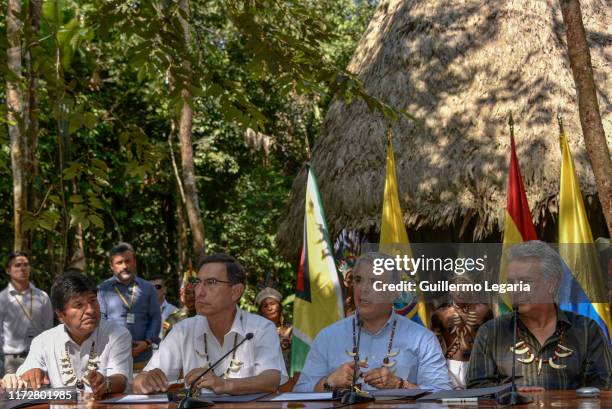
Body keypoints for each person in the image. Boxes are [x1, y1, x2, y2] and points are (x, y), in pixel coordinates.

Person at [294, 252, 452, 392]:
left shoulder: (422, 339)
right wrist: (329, 383)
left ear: (394, 292)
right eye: (358, 280)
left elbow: (442, 393)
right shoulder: (327, 337)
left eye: (374, 282)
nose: (363, 289)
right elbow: (300, 392)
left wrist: (400, 385)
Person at [133, 254, 287, 395]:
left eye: (211, 282)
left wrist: (224, 385)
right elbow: (139, 382)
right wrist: (146, 381)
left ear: (236, 291)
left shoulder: (261, 328)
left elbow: (271, 380)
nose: (199, 291)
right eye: (198, 282)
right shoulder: (183, 330)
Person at [467, 240, 612, 390]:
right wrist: (510, 393)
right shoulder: (491, 332)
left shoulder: (587, 331)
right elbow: (476, 388)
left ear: (551, 284)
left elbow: (604, 387)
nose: (516, 290)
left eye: (525, 282)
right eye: (511, 283)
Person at [9, 272, 132, 399]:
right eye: (79, 305)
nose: (90, 310)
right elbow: (27, 372)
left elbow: (121, 378)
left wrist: (106, 383)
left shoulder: (117, 334)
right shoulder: (43, 341)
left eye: (93, 300)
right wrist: (31, 374)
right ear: (61, 315)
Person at [97, 242, 161, 370]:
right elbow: (101, 320)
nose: (124, 266)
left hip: (143, 356)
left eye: (128, 261)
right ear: (111, 266)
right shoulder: (103, 289)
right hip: (114, 356)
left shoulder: (147, 288)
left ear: (134, 262)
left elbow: (155, 317)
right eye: (119, 263)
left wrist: (147, 342)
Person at [431, 275, 492, 389]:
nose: (461, 290)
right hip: (451, 366)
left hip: (479, 366)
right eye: (456, 287)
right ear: (450, 290)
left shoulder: (483, 311)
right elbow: (434, 343)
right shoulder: (441, 314)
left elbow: (493, 341)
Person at [0, 252, 54, 375]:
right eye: (17, 265)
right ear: (8, 270)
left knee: (39, 393)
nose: (22, 269)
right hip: (11, 361)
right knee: (13, 394)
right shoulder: (2, 299)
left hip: (38, 359)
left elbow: (48, 331)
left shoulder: (42, 296)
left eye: (26, 265)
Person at [255, 287, 292, 372]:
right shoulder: (255, 332)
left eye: (272, 303)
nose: (270, 308)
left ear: (280, 307)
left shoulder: (291, 329)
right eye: (265, 306)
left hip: (290, 378)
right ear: (261, 312)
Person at [162, 270, 197, 338]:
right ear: (182, 295)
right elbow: (167, 346)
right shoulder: (172, 319)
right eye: (188, 293)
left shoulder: (207, 317)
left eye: (195, 292)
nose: (192, 296)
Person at [149, 275, 178, 340]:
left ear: (165, 290)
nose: (154, 290)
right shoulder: (141, 311)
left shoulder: (175, 312)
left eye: (157, 287)